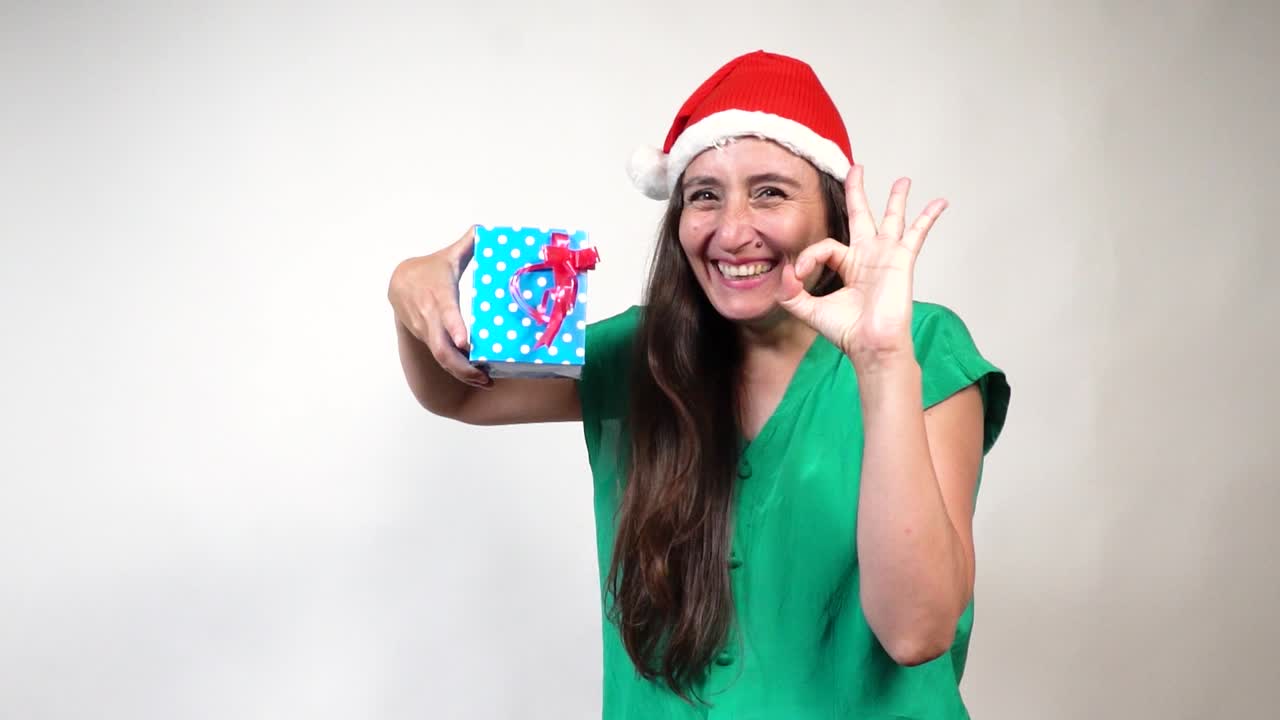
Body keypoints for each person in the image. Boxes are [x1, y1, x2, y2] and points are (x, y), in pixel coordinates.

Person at [389, 50, 1010, 719]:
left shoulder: (922, 346)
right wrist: (407, 293)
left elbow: (917, 632)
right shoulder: (640, 352)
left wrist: (882, 364)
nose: (732, 230)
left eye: (770, 191)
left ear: (832, 211)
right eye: (704, 195)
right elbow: (456, 394)